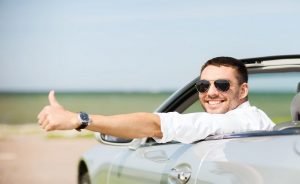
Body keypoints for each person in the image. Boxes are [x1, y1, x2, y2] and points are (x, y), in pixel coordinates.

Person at [37, 57, 275, 143]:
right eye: (203, 85)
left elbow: (155, 126)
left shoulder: (237, 123)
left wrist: (77, 119)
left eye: (222, 85)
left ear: (243, 91)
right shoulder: (258, 118)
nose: (210, 92)